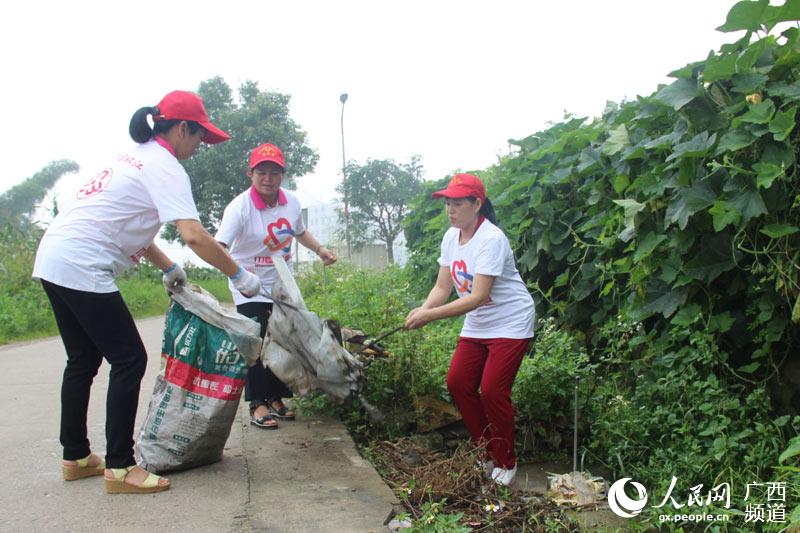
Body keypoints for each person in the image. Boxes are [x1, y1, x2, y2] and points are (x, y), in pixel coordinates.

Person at [32, 90, 261, 494]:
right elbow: (193, 235)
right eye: (200, 137)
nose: (201, 147)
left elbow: (132, 226)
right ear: (182, 128)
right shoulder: (165, 166)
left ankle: (76, 456)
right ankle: (121, 467)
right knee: (130, 359)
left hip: (54, 256)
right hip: (83, 262)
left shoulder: (130, 158)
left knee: (83, 360)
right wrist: (239, 275)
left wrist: (169, 267)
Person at [404, 173, 535, 486]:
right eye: (448, 203)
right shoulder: (451, 237)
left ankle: (506, 461)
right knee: (458, 383)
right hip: (480, 322)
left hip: (510, 321)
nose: (451, 209)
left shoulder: (491, 239)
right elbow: (442, 285)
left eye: (458, 203)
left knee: (492, 390)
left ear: (477, 204)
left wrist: (430, 317)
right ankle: (485, 453)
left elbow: (478, 296)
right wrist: (424, 309)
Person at [216, 143, 337, 430]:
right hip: (249, 284)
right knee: (256, 342)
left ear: (281, 175)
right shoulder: (240, 207)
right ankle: (257, 403)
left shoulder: (291, 202)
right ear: (251, 173)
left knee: (282, 339)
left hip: (281, 282)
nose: (268, 178)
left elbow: (299, 231)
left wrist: (320, 250)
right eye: (262, 172)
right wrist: (237, 276)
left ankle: (277, 398)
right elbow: (219, 246)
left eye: (274, 172)